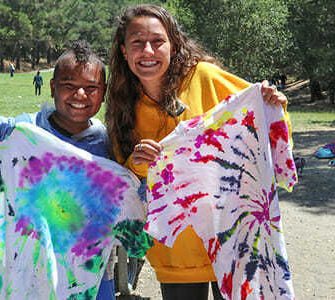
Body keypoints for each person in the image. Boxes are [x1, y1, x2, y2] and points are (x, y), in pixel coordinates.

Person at [105, 4, 289, 300]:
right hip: (176, 254)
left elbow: (263, 122)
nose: (148, 51)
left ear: (173, 44)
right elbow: (121, 180)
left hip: (231, 240)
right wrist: (138, 164)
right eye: (137, 43)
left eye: (157, 41)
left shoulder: (203, 77)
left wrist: (271, 104)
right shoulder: (122, 104)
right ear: (124, 51)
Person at [0, 40, 116, 300]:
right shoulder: (19, 133)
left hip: (91, 279)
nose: (80, 95)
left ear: (103, 93)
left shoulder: (111, 145)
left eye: (91, 88)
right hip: (26, 279)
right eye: (69, 86)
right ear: (53, 87)